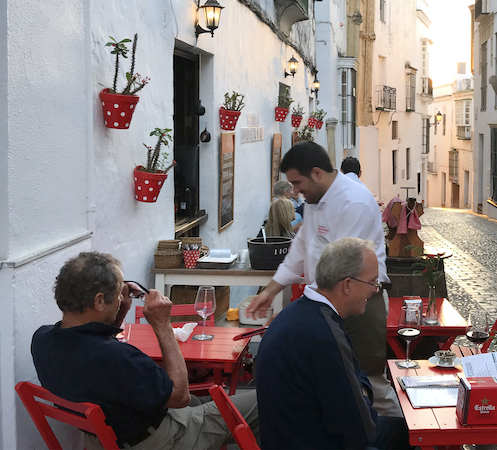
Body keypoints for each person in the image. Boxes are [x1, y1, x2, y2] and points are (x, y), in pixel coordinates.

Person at [31, 252, 259, 449]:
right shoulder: (118, 358)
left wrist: (119, 312)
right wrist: (163, 324)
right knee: (262, 402)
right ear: (99, 301)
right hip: (161, 441)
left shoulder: (41, 340)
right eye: (116, 296)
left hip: (103, 439)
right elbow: (180, 395)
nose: (121, 299)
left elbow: (94, 342)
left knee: (205, 404)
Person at [246, 141, 401, 417]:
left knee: (370, 383)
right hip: (328, 302)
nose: (295, 191)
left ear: (317, 173)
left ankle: (402, 437)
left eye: (297, 182)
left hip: (360, 302)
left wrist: (296, 314)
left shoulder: (354, 202)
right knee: (334, 381)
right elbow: (301, 248)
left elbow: (341, 271)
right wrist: (270, 291)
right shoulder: (316, 199)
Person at [256, 237, 410, 449]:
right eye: (372, 282)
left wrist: (360, 390)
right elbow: (361, 431)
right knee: (410, 436)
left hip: (292, 433)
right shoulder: (325, 335)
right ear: (347, 284)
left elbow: (357, 379)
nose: (375, 290)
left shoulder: (299, 312)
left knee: (400, 429)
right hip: (312, 440)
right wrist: (360, 392)